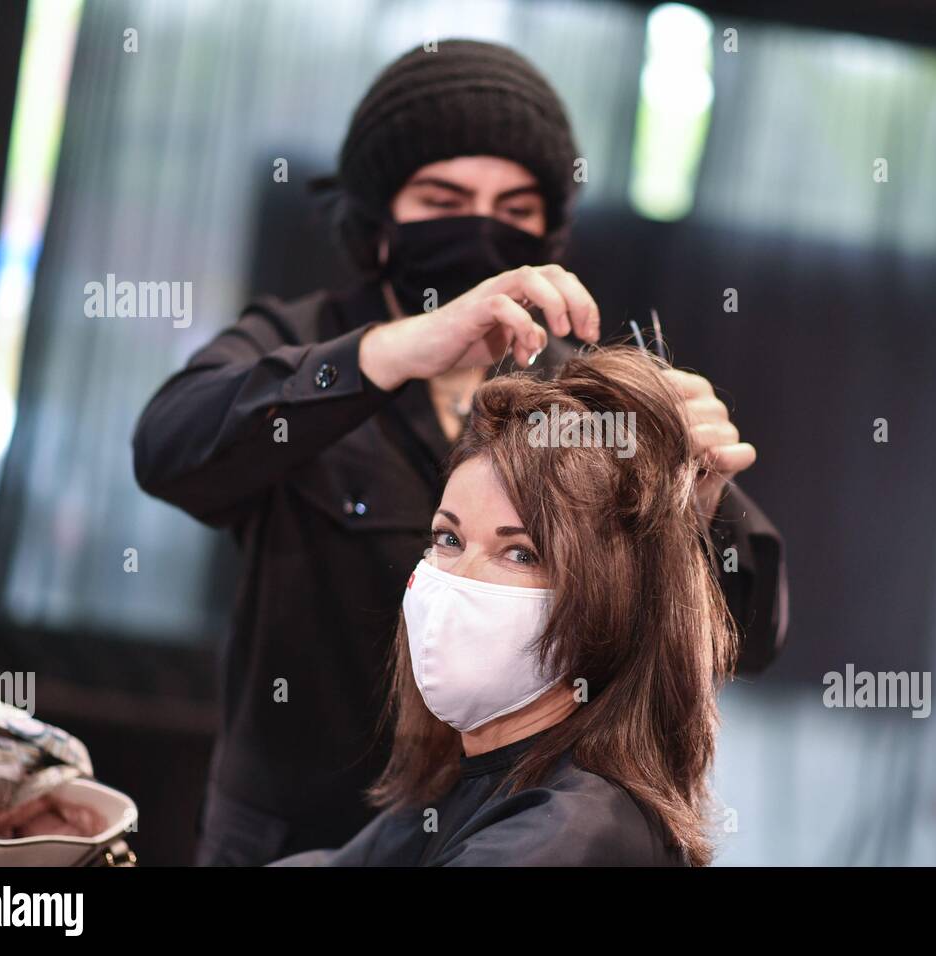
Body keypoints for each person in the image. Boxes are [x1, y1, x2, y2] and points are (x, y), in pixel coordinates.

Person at [132, 38, 787, 866]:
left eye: (514, 209)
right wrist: (394, 350)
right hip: (297, 834)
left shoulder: (575, 408)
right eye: (443, 196)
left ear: (548, 233)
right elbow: (168, 448)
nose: (482, 225)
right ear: (376, 225)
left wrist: (696, 513)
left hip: (496, 828)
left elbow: (751, 635)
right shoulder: (301, 345)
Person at [273, 347, 735, 866]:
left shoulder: (571, 834)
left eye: (520, 553)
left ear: (610, 598)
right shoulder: (470, 781)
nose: (458, 581)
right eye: (448, 539)